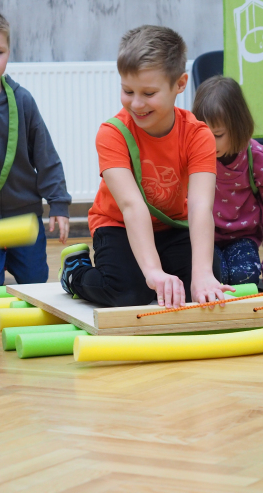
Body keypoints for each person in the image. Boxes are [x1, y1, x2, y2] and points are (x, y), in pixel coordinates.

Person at [58, 25, 233, 308]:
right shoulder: (112, 133)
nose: (137, 104)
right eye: (128, 91)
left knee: (201, 286)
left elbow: (201, 206)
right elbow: (131, 206)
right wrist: (152, 272)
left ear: (180, 84)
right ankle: (74, 271)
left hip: (172, 225)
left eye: (149, 93)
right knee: (128, 293)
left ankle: (163, 273)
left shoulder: (198, 135)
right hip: (117, 225)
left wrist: (203, 274)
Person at [0, 8, 71, 291]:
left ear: (9, 52)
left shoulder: (22, 100)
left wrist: (58, 203)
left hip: (23, 213)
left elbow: (45, 155)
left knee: (35, 280)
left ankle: (5, 256)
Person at [192, 76, 263, 289]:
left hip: (243, 239)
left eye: (217, 135)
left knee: (245, 277)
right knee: (215, 276)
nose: (209, 143)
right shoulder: (193, 156)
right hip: (202, 238)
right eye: (203, 134)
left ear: (239, 127)